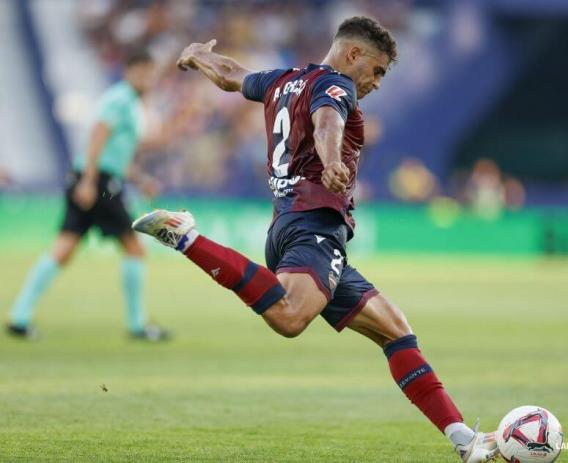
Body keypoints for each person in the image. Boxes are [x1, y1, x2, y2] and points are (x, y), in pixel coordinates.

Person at [133, 17, 498, 461]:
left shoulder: (283, 80)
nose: (378, 83)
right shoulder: (337, 86)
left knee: (396, 332)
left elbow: (232, 76)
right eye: (378, 70)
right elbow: (327, 122)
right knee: (289, 317)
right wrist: (329, 160)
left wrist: (199, 55)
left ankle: (465, 440)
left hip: (295, 225)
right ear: (353, 55)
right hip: (313, 224)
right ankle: (186, 237)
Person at [6, 50, 169, 341]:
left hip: (93, 177)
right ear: (128, 71)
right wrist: (90, 182)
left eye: (150, 73)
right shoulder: (120, 99)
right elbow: (97, 136)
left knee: (64, 247)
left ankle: (19, 316)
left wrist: (139, 179)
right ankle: (137, 325)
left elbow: (114, 151)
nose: (147, 78)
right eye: (142, 72)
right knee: (134, 248)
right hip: (100, 183)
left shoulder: (128, 101)